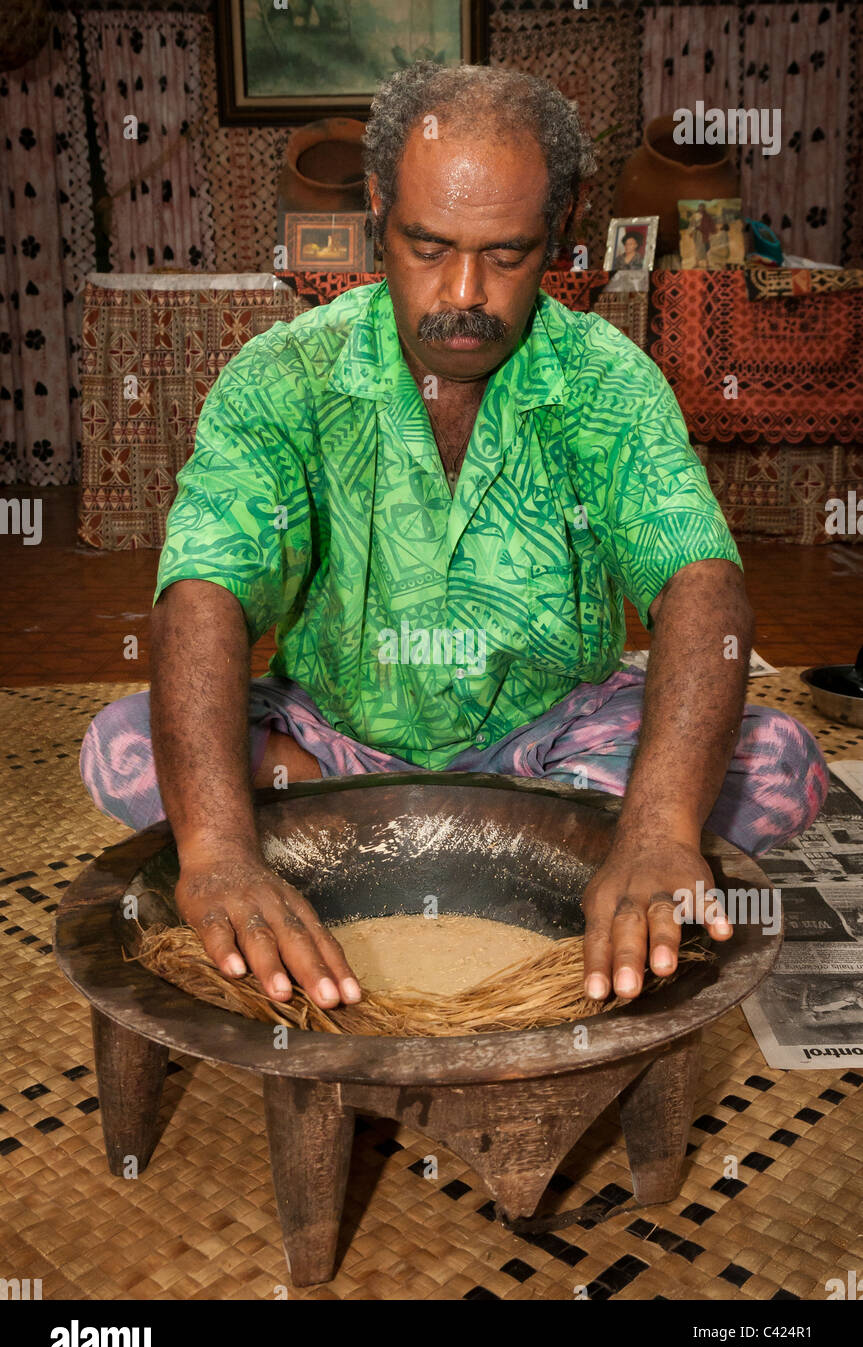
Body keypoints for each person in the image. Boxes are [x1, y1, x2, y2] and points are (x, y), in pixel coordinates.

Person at [80, 62, 829, 1014]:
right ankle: (511, 861)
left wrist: (656, 826)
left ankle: (380, 852)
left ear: (563, 226)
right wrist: (222, 856)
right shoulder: (284, 376)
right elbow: (205, 593)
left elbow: (702, 588)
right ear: (377, 209)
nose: (463, 293)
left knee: (774, 758)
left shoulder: (607, 380)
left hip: (555, 746)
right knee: (123, 747)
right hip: (336, 741)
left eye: (508, 254)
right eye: (428, 244)